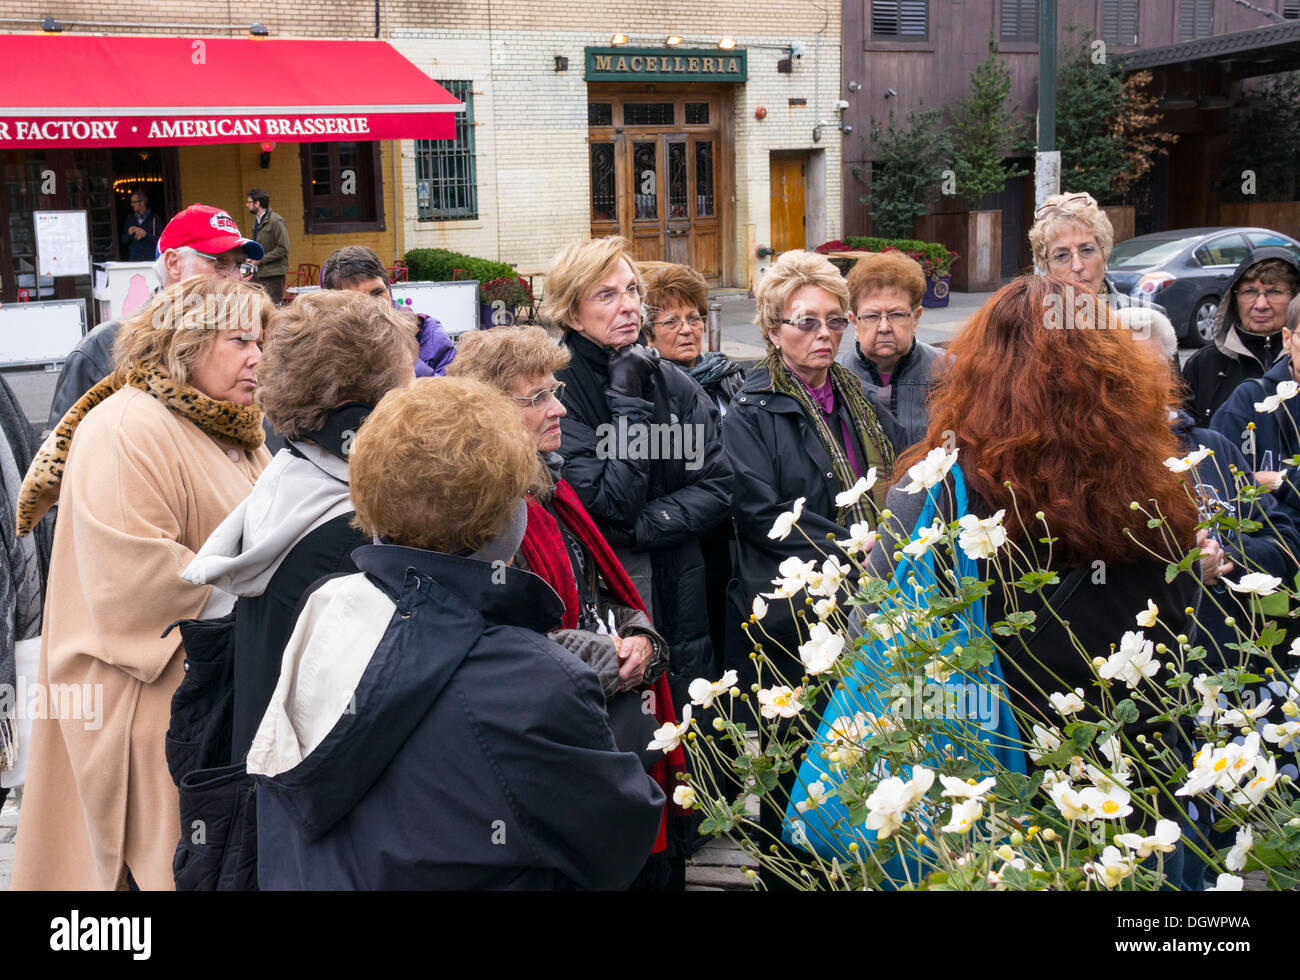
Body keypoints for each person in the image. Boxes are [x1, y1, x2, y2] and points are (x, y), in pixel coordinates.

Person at [247, 377, 666, 889]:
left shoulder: (329, 606)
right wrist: (629, 727)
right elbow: (616, 840)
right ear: (507, 519)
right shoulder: (533, 678)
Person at [11, 276, 274, 890]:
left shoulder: (232, 428)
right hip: (138, 705)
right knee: (135, 876)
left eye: (260, 341)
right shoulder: (126, 428)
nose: (257, 357)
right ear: (185, 344)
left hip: (206, 696)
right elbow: (139, 584)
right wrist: (268, 597)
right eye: (240, 341)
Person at [867, 276, 1200, 745]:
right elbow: (1182, 609)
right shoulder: (1163, 480)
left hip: (995, 767)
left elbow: (874, 631)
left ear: (976, 376)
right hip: (1136, 757)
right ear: (1118, 373)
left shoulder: (937, 487)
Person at [448, 325, 687, 886]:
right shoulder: (482, 519)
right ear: (487, 414)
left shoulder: (550, 487)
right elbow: (504, 644)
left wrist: (644, 639)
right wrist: (615, 657)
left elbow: (606, 593)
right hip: (557, 759)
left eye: (553, 390)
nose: (558, 408)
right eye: (535, 399)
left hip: (605, 732)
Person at [182, 290, 419, 761]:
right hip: (309, 797)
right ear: (364, 398)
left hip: (268, 788)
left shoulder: (293, 476)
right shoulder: (351, 526)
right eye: (406, 381)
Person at [543, 236, 732, 714]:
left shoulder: (674, 382)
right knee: (633, 728)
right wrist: (627, 400)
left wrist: (643, 527)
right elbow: (609, 502)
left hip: (682, 583)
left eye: (631, 291)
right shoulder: (556, 395)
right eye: (606, 295)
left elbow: (717, 486)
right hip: (608, 595)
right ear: (570, 312)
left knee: (694, 727)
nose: (628, 306)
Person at [724, 249, 896, 675]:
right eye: (806, 322)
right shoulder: (750, 411)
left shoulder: (859, 396)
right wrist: (852, 547)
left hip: (878, 584)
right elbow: (761, 513)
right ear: (773, 331)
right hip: (801, 608)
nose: (825, 333)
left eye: (835, 320)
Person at [47, 203, 263, 431]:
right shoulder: (104, 347)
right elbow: (60, 455)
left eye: (240, 265)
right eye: (220, 263)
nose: (236, 278)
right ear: (173, 264)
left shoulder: (252, 342)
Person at [837, 250, 947, 452]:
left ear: (915, 318)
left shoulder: (948, 372)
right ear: (853, 321)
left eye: (896, 315)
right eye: (872, 316)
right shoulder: (837, 379)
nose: (884, 327)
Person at [1183, 248, 1300, 427]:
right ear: (1233, 298)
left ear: (1295, 297)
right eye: (1249, 292)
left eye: (1275, 291)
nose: (1261, 305)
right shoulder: (1203, 364)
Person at [1210, 294, 1300, 513]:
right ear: (1287, 340)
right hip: (1272, 541)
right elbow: (1220, 487)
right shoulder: (1248, 400)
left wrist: (1279, 481)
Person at [320, 245, 455, 376]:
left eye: (377, 293)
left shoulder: (428, 333)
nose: (371, 305)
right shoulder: (321, 347)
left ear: (389, 290)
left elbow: (458, 394)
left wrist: (408, 365)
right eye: (355, 299)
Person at [641, 263, 745, 415]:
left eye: (694, 319)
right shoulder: (647, 390)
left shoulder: (728, 376)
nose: (686, 329)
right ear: (648, 334)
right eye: (671, 322)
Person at [246, 188, 290, 305]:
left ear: (257, 203)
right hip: (258, 272)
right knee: (256, 305)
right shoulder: (256, 221)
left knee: (273, 307)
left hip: (273, 274)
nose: (247, 205)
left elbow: (283, 248)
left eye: (249, 202)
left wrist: (260, 259)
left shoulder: (276, 221)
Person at [120, 191, 162, 262]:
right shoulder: (130, 219)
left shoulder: (154, 218)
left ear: (142, 202)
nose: (131, 205)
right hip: (134, 260)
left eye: (134, 202)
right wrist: (129, 233)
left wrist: (145, 235)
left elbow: (161, 241)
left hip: (151, 260)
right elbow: (123, 242)